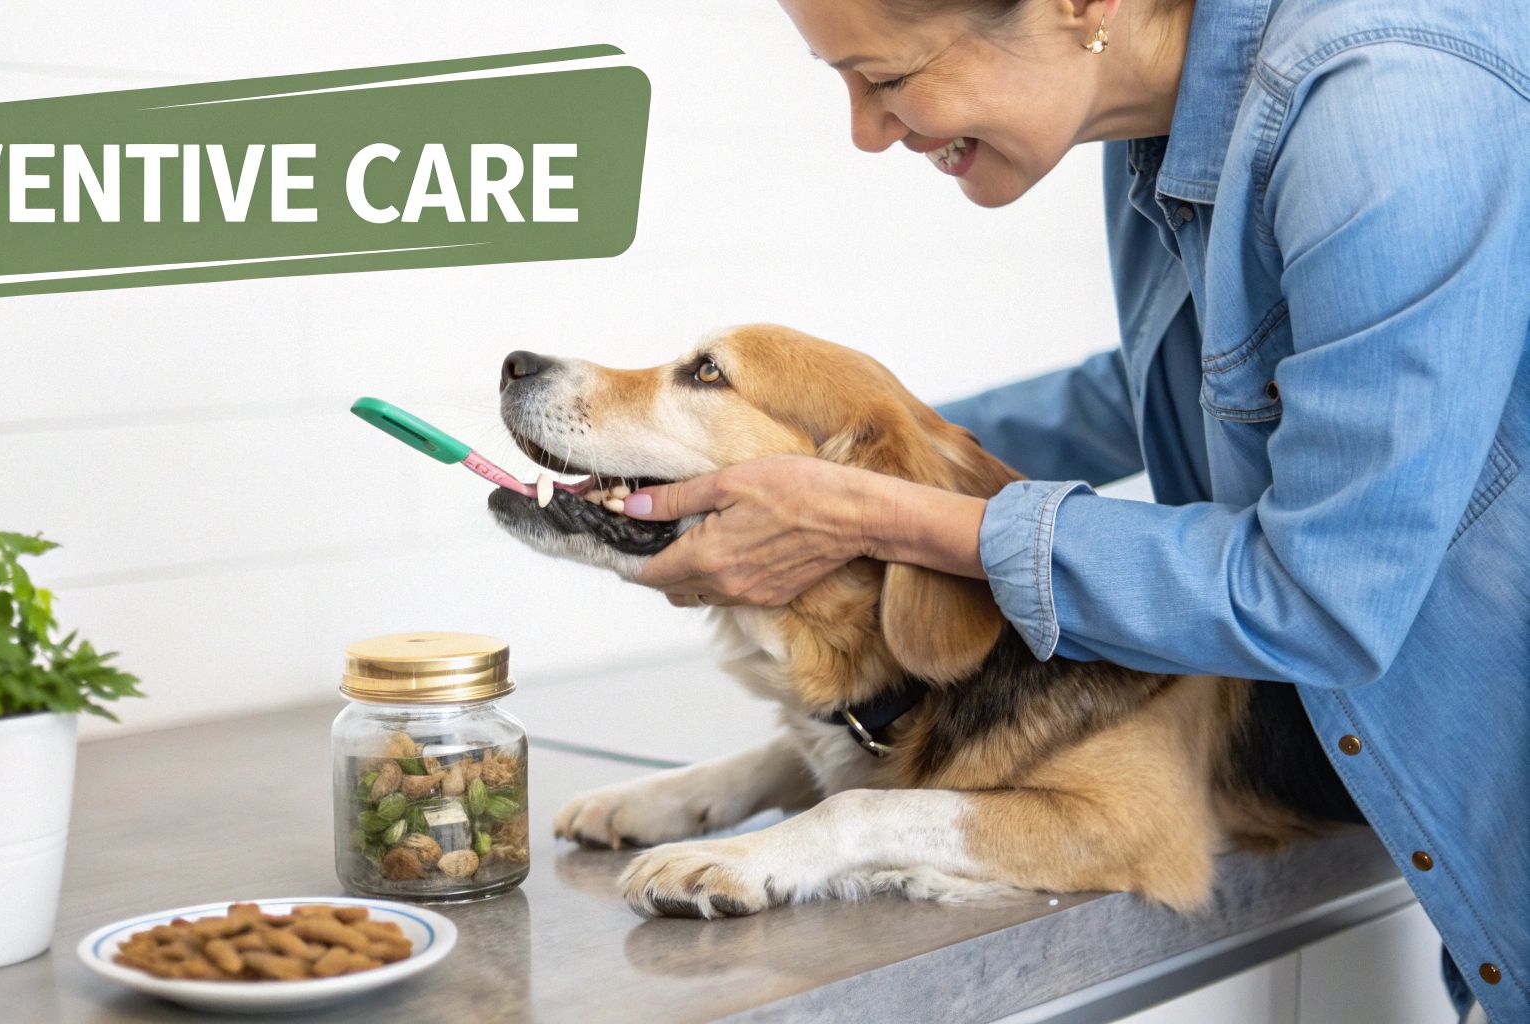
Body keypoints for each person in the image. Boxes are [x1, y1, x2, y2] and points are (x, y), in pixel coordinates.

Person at [618, 0, 1529, 1019]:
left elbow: (1320, 595)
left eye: (885, 77)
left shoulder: (1385, 103)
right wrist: (840, 455)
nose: (864, 131)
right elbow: (1151, 384)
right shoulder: (1160, 133)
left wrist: (880, 514)